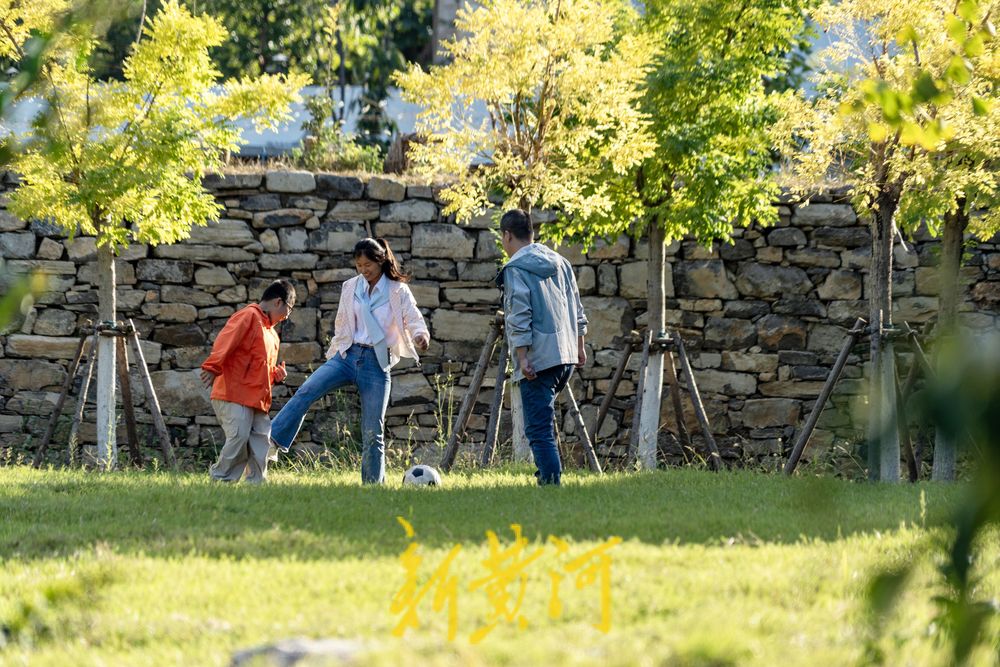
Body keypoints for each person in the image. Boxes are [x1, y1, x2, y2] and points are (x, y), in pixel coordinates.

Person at [270, 238, 430, 484]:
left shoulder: (397, 291)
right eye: (359, 265)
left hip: (377, 363)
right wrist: (338, 349)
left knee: (372, 430)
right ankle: (270, 441)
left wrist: (421, 335)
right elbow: (344, 324)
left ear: (381, 261)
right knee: (307, 390)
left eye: (368, 264)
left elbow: (414, 318)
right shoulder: (351, 287)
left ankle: (372, 486)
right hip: (347, 355)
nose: (364, 270)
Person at [496, 209, 588, 486]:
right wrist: (580, 346)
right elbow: (577, 308)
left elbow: (519, 313)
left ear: (507, 235)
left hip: (538, 359)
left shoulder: (516, 269)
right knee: (544, 422)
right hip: (567, 356)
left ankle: (549, 482)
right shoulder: (561, 262)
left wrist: (522, 357)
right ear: (532, 233)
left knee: (538, 427)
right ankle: (548, 476)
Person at [200, 279, 294, 483]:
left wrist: (275, 375)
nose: (284, 319)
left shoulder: (272, 335)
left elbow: (259, 367)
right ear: (279, 302)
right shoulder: (249, 316)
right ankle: (220, 479)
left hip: (257, 399)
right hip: (233, 394)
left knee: (262, 441)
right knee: (239, 437)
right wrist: (212, 366)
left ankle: (256, 483)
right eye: (286, 313)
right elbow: (226, 340)